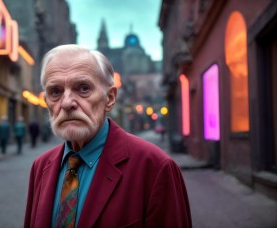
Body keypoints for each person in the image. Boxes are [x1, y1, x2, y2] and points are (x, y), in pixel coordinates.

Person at [24, 45, 192, 228]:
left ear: (110, 98)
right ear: (46, 100)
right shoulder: (40, 167)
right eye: (55, 91)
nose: (66, 103)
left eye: (83, 88)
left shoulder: (155, 167)